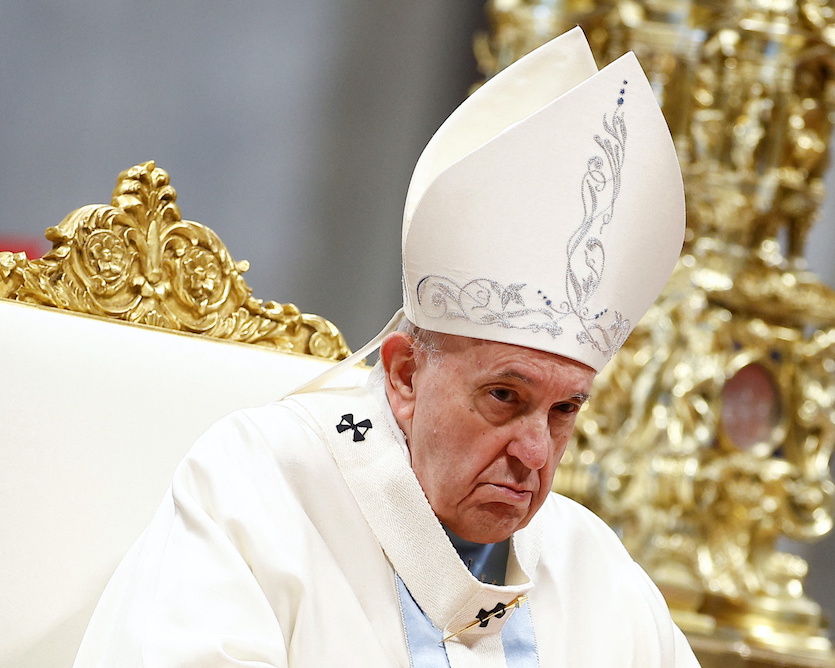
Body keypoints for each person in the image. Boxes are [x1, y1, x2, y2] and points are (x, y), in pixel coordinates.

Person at [73, 27, 699, 667]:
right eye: (505, 396)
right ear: (403, 375)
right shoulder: (260, 489)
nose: (535, 453)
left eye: (564, 409)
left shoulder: (592, 568)